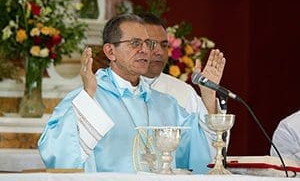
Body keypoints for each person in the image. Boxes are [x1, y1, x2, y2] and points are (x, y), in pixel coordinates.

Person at [38, 14, 211, 174]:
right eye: (135, 43)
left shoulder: (166, 104)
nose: (145, 50)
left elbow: (199, 149)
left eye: (148, 43)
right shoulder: (89, 98)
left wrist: (208, 96)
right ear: (110, 51)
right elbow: (57, 152)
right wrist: (88, 95)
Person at [139, 13, 226, 158]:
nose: (159, 52)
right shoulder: (114, 88)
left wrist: (208, 95)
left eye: (164, 45)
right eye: (152, 44)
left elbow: (211, 151)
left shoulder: (182, 91)